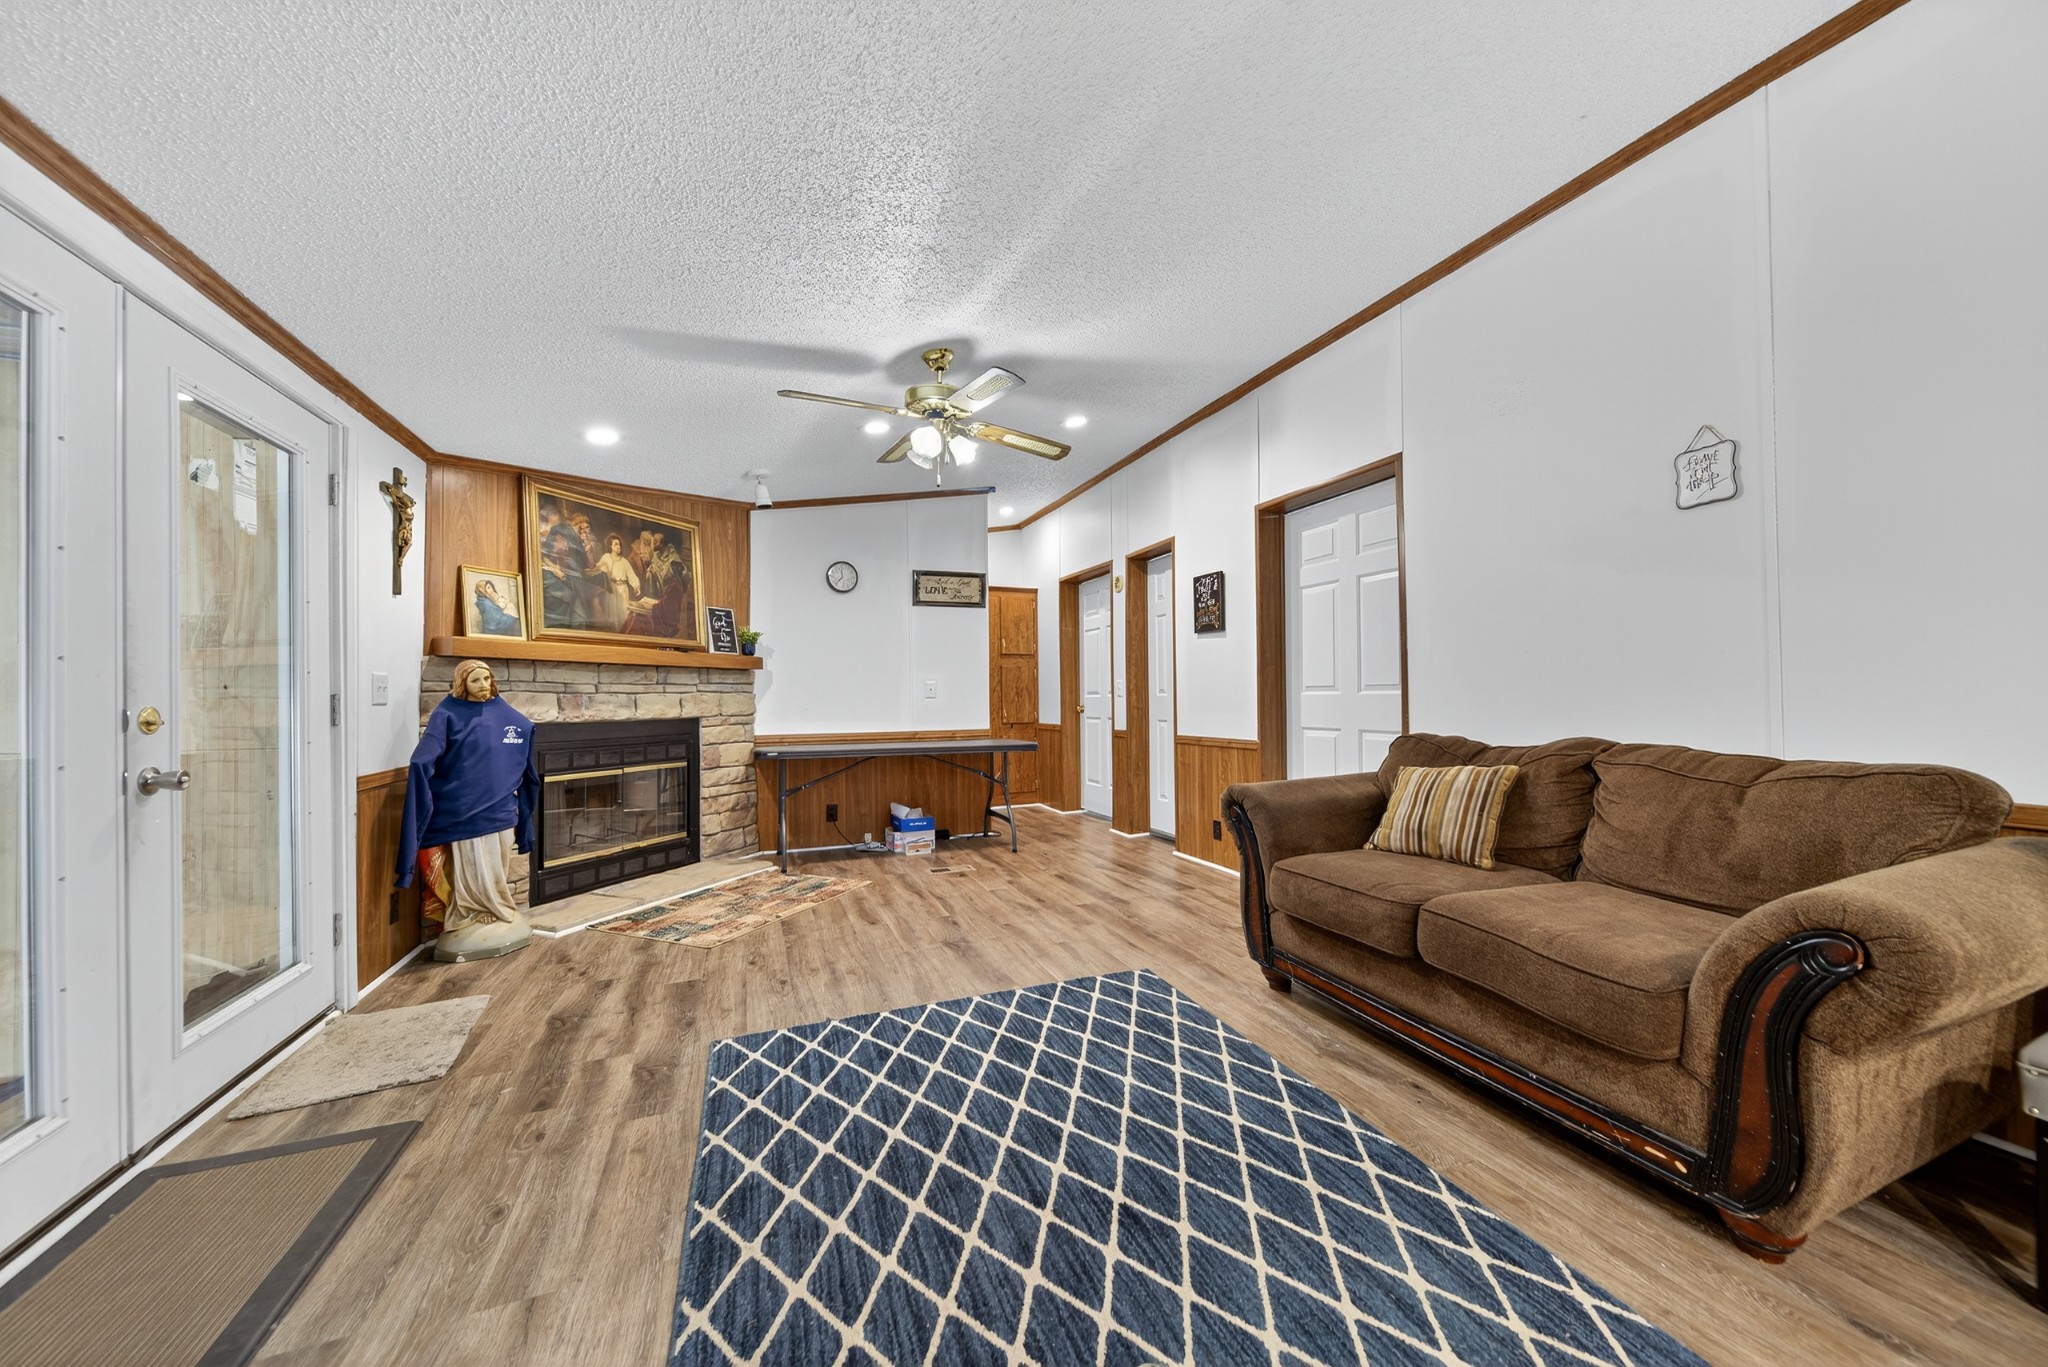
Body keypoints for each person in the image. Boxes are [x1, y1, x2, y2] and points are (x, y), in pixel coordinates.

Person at [395, 660, 538, 961]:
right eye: (476, 680)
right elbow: (424, 758)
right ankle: (471, 913)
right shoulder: (447, 714)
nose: (484, 684)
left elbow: (526, 760)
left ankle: (500, 910)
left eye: (487, 678)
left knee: (495, 869)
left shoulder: (509, 717)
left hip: (500, 813)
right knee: (472, 871)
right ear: (462, 683)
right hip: (464, 815)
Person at [593, 532, 641, 631]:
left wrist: (636, 586)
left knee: (623, 614)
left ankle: (622, 633)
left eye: (619, 544)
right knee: (612, 615)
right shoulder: (606, 557)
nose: (618, 546)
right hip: (611, 590)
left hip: (622, 590)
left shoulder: (624, 561)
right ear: (610, 546)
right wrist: (603, 568)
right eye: (615, 544)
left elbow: (631, 575)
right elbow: (597, 568)